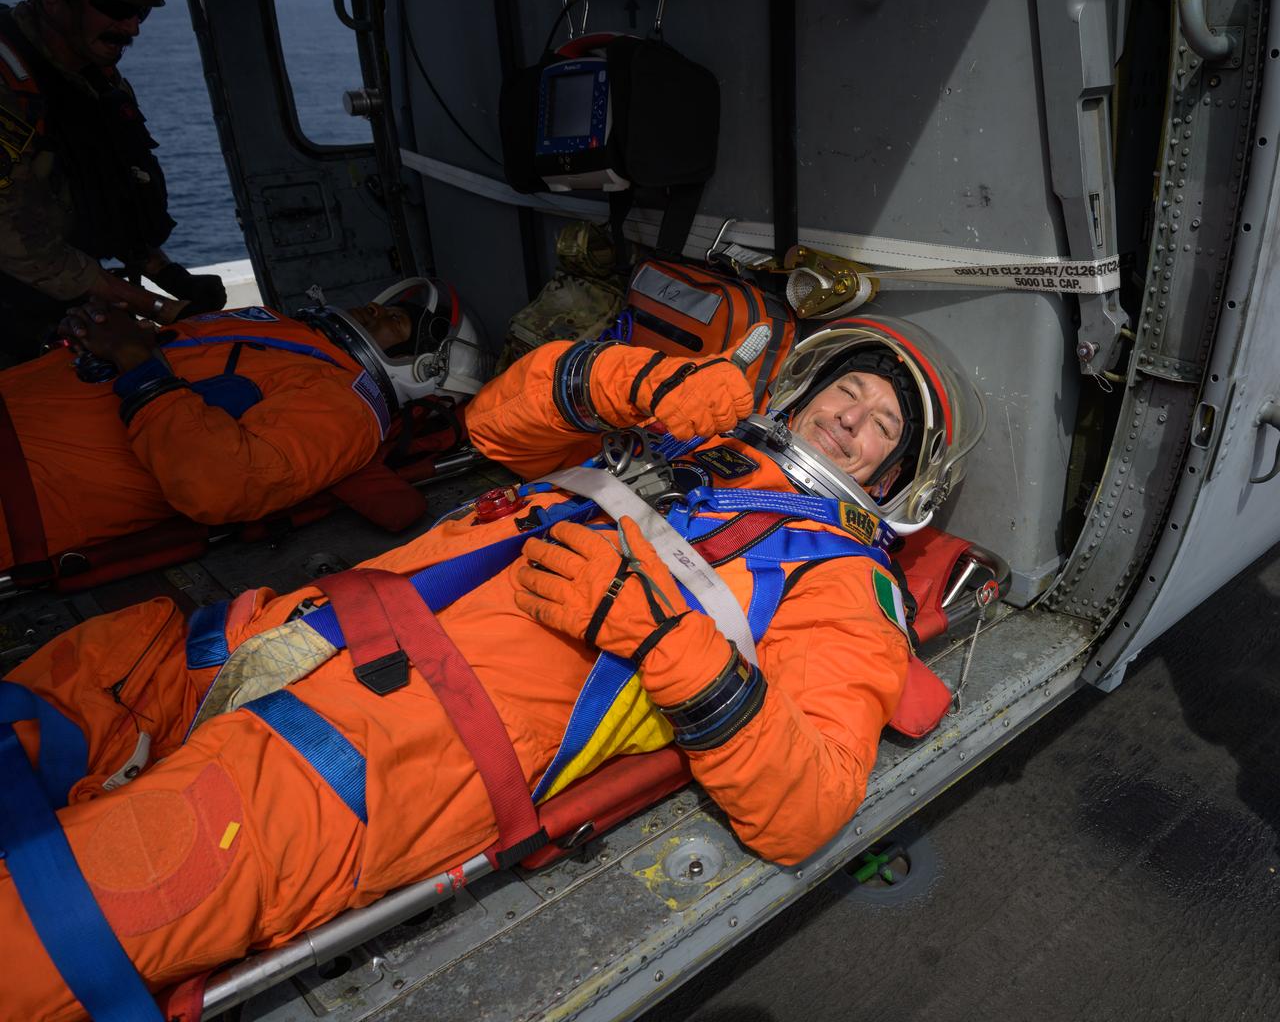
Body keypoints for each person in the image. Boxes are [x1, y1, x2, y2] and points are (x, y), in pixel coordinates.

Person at [0, 315, 985, 1021]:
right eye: (843, 396)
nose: (848, 422)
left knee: (46, 919)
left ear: (889, 480)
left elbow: (806, 803)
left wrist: (656, 635)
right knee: (60, 687)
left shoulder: (841, 583)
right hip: (277, 635)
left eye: (877, 430)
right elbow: (494, 429)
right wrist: (636, 386)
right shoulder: (694, 435)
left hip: (359, 764)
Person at [0, 276, 487, 578]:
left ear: (423, 370)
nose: (375, 309)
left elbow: (225, 486)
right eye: (385, 306)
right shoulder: (280, 330)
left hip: (25, 485)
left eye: (396, 323)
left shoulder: (347, 409)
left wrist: (135, 362)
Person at [0, 0, 225, 365]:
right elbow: (21, 245)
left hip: (65, 313)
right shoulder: (9, 87)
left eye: (141, 11)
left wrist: (173, 278)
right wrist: (162, 309)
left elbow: (111, 197)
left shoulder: (95, 82)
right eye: (118, 8)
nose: (132, 27)